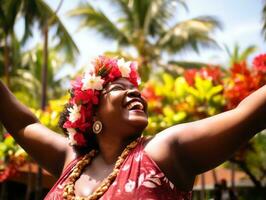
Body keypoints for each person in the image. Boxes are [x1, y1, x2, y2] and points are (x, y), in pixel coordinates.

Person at [0, 56, 265, 200]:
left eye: (135, 88)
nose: (136, 92)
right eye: (119, 88)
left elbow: (246, 115)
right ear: (92, 116)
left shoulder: (160, 153)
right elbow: (25, 124)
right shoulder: (71, 161)